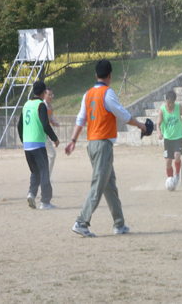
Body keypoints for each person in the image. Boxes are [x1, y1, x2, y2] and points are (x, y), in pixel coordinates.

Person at [65, 59, 148, 238]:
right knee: (98, 185)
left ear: (96, 75)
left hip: (93, 145)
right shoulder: (107, 93)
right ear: (110, 76)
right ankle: (81, 222)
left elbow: (81, 119)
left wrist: (73, 139)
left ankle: (119, 224)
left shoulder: (88, 94)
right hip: (103, 145)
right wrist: (141, 125)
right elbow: (124, 116)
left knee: (109, 185)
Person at [17, 80, 59, 210]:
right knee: (44, 171)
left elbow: (19, 125)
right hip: (38, 145)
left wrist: (24, 140)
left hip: (27, 146)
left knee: (35, 172)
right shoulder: (40, 105)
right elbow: (45, 125)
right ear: (42, 92)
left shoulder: (26, 104)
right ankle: (45, 202)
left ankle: (31, 194)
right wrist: (54, 138)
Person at [157, 90, 182, 188]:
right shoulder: (162, 110)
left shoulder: (179, 107)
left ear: (175, 101)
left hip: (178, 137)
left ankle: (176, 175)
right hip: (168, 139)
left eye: (172, 102)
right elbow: (158, 124)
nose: (170, 104)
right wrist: (159, 133)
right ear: (166, 101)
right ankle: (170, 179)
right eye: (168, 102)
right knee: (168, 162)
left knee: (177, 156)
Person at [44, 87, 60, 179]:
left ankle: (45, 176)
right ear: (44, 95)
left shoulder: (50, 106)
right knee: (52, 154)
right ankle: (46, 177)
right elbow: (45, 122)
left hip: (46, 134)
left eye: (52, 95)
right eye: (49, 95)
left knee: (47, 156)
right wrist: (54, 138)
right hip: (43, 134)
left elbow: (50, 118)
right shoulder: (43, 106)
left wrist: (54, 122)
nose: (51, 97)